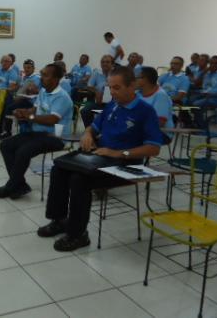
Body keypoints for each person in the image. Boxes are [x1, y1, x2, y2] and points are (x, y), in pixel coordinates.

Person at [38, 66, 163, 251]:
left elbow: (154, 148)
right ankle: (59, 220)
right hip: (102, 156)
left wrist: (119, 153)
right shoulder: (113, 105)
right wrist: (87, 135)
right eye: (110, 87)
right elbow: (93, 128)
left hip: (125, 164)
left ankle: (78, 234)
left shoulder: (145, 111)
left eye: (117, 88)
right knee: (59, 169)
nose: (112, 92)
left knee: (79, 179)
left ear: (132, 86)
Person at [0, 63, 73, 200]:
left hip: (55, 137)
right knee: (5, 145)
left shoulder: (62, 96)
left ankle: (11, 186)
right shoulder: (43, 91)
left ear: (55, 79)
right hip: (38, 134)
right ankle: (20, 185)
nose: (41, 77)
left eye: (45, 75)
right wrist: (22, 112)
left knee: (24, 151)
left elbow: (51, 119)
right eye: (41, 74)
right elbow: (34, 110)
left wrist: (29, 117)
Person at [0, 59, 41, 139]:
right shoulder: (24, 77)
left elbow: (32, 91)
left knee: (9, 108)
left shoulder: (36, 78)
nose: (26, 69)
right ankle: (5, 129)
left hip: (32, 102)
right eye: (25, 68)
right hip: (23, 100)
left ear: (33, 68)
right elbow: (20, 88)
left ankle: (8, 132)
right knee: (7, 104)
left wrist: (22, 94)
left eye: (28, 68)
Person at [137, 67, 175, 143]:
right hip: (140, 129)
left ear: (146, 80)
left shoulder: (161, 95)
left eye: (137, 78)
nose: (134, 80)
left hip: (161, 132)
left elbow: (159, 122)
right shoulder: (138, 94)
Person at [80, 55, 114, 127]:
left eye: (107, 62)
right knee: (84, 111)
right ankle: (90, 131)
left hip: (114, 103)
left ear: (112, 64)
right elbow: (89, 86)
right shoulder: (96, 72)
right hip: (99, 101)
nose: (104, 64)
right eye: (102, 62)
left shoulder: (116, 74)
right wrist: (96, 91)